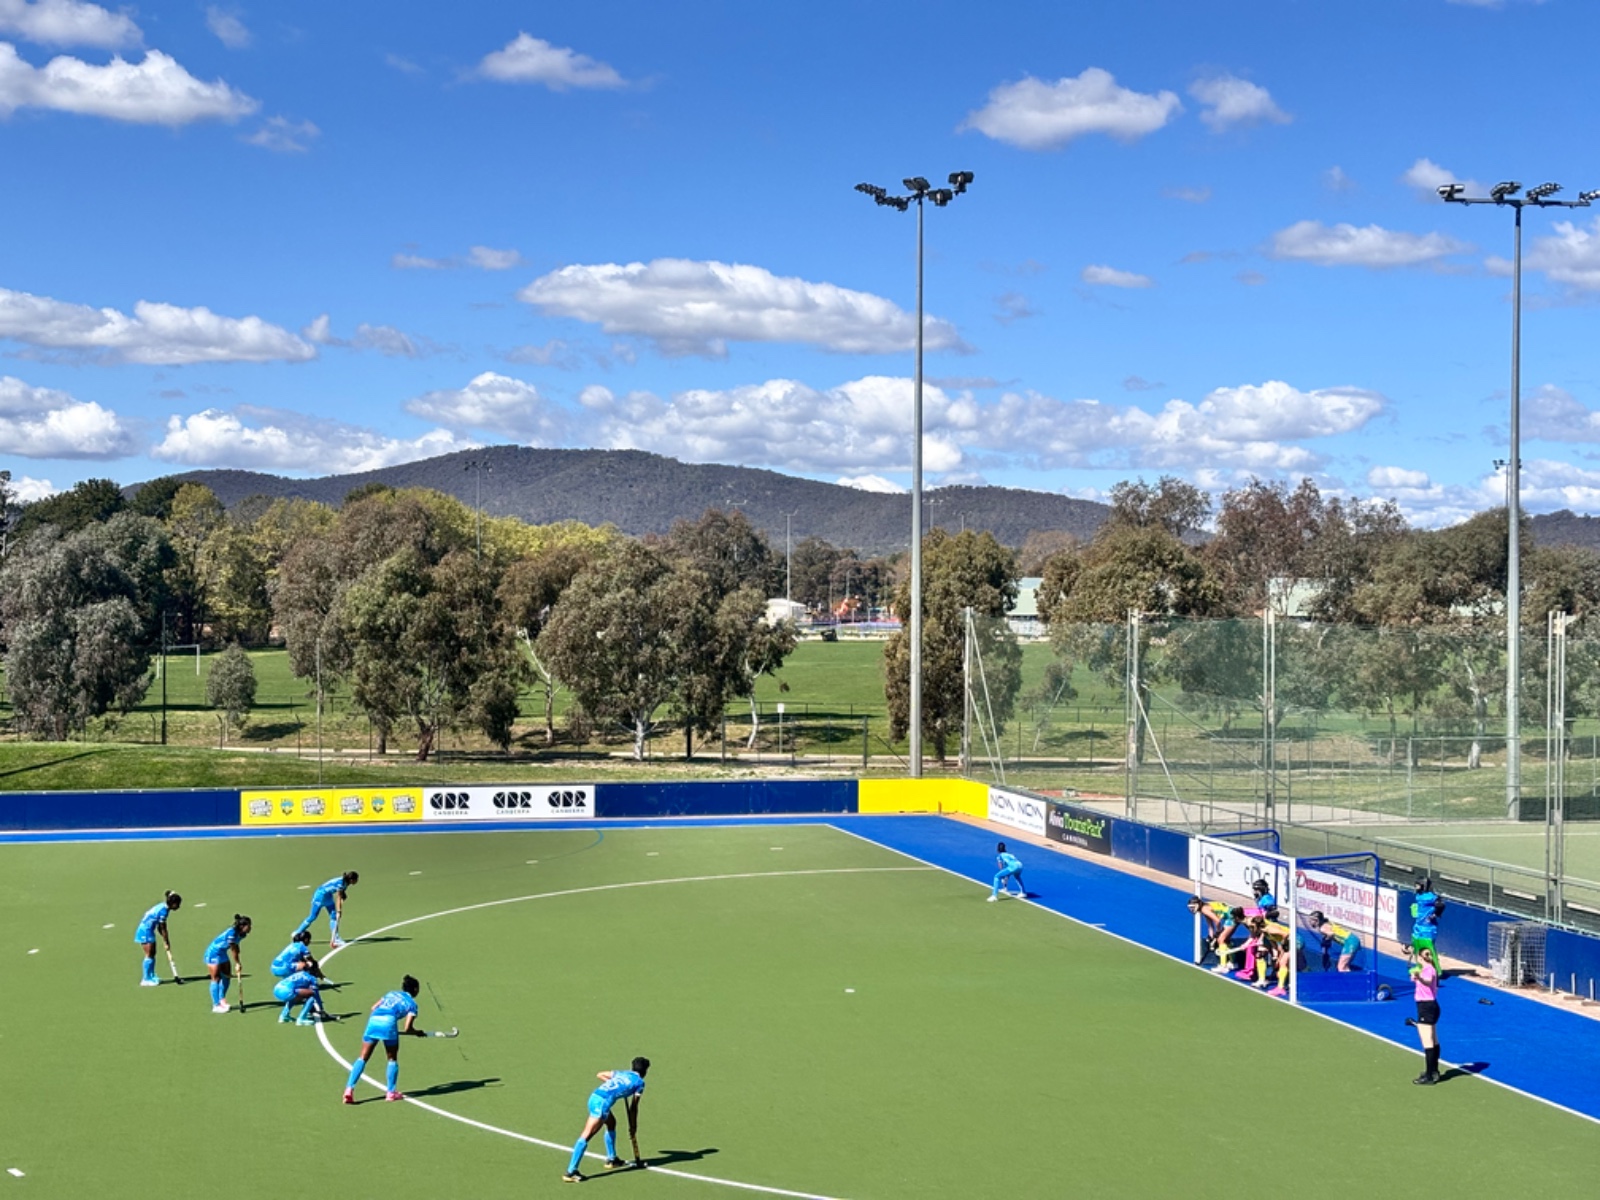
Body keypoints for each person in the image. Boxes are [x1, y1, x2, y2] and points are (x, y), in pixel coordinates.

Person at [563, 1058, 651, 1183]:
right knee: (586, 1135)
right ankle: (571, 1172)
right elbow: (633, 1108)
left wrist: (615, 1089)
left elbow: (600, 1074)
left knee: (611, 1123)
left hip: (594, 1097)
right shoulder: (640, 1083)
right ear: (645, 1071)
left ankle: (612, 1159)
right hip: (602, 1104)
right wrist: (633, 1126)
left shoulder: (622, 1073)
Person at [343, 975, 424, 1104]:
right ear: (414, 989)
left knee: (363, 1057)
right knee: (392, 1058)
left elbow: (373, 1007)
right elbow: (407, 1028)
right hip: (389, 1022)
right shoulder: (412, 1004)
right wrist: (417, 1032)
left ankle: (349, 1090)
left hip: (373, 1020)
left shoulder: (391, 993)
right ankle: (391, 1093)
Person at [1405, 948, 1443, 1085]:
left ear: (1420, 958)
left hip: (1426, 1008)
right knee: (1433, 1039)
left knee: (1428, 1042)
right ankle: (1434, 1071)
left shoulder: (1429, 970)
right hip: (1428, 1007)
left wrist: (1419, 977)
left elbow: (1427, 981)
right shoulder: (1422, 969)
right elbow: (1419, 982)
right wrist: (1415, 976)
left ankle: (1429, 1075)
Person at [296, 871, 359, 948]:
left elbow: (341, 893)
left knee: (333, 917)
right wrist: (339, 911)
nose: (357, 881)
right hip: (320, 896)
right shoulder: (341, 883)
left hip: (328, 896)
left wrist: (344, 896)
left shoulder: (345, 882)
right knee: (313, 916)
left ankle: (336, 938)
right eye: (356, 879)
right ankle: (298, 932)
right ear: (352, 879)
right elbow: (338, 897)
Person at [203, 914, 251, 1014]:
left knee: (226, 976)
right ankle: (215, 1005)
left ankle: (222, 999)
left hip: (222, 953)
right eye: (248, 925)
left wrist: (238, 961)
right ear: (242, 926)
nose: (250, 928)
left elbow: (236, 947)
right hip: (213, 953)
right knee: (215, 978)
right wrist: (237, 963)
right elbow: (233, 949)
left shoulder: (242, 934)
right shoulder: (231, 933)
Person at [135, 891, 181, 987]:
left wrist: (164, 939)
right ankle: (146, 978)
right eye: (178, 904)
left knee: (153, 953)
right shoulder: (163, 911)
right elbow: (163, 928)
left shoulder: (164, 907)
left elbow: (160, 928)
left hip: (149, 930)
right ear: (173, 904)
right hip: (145, 931)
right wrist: (166, 941)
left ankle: (151, 975)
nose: (179, 907)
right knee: (149, 954)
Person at [1411, 879, 1445, 962]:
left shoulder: (1430, 897)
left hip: (1428, 926)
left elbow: (1441, 905)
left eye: (1418, 885)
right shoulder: (1419, 896)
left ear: (1423, 886)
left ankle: (1433, 968)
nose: (1416, 887)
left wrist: (1434, 915)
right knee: (1418, 947)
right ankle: (1423, 967)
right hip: (1418, 925)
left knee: (1428, 949)